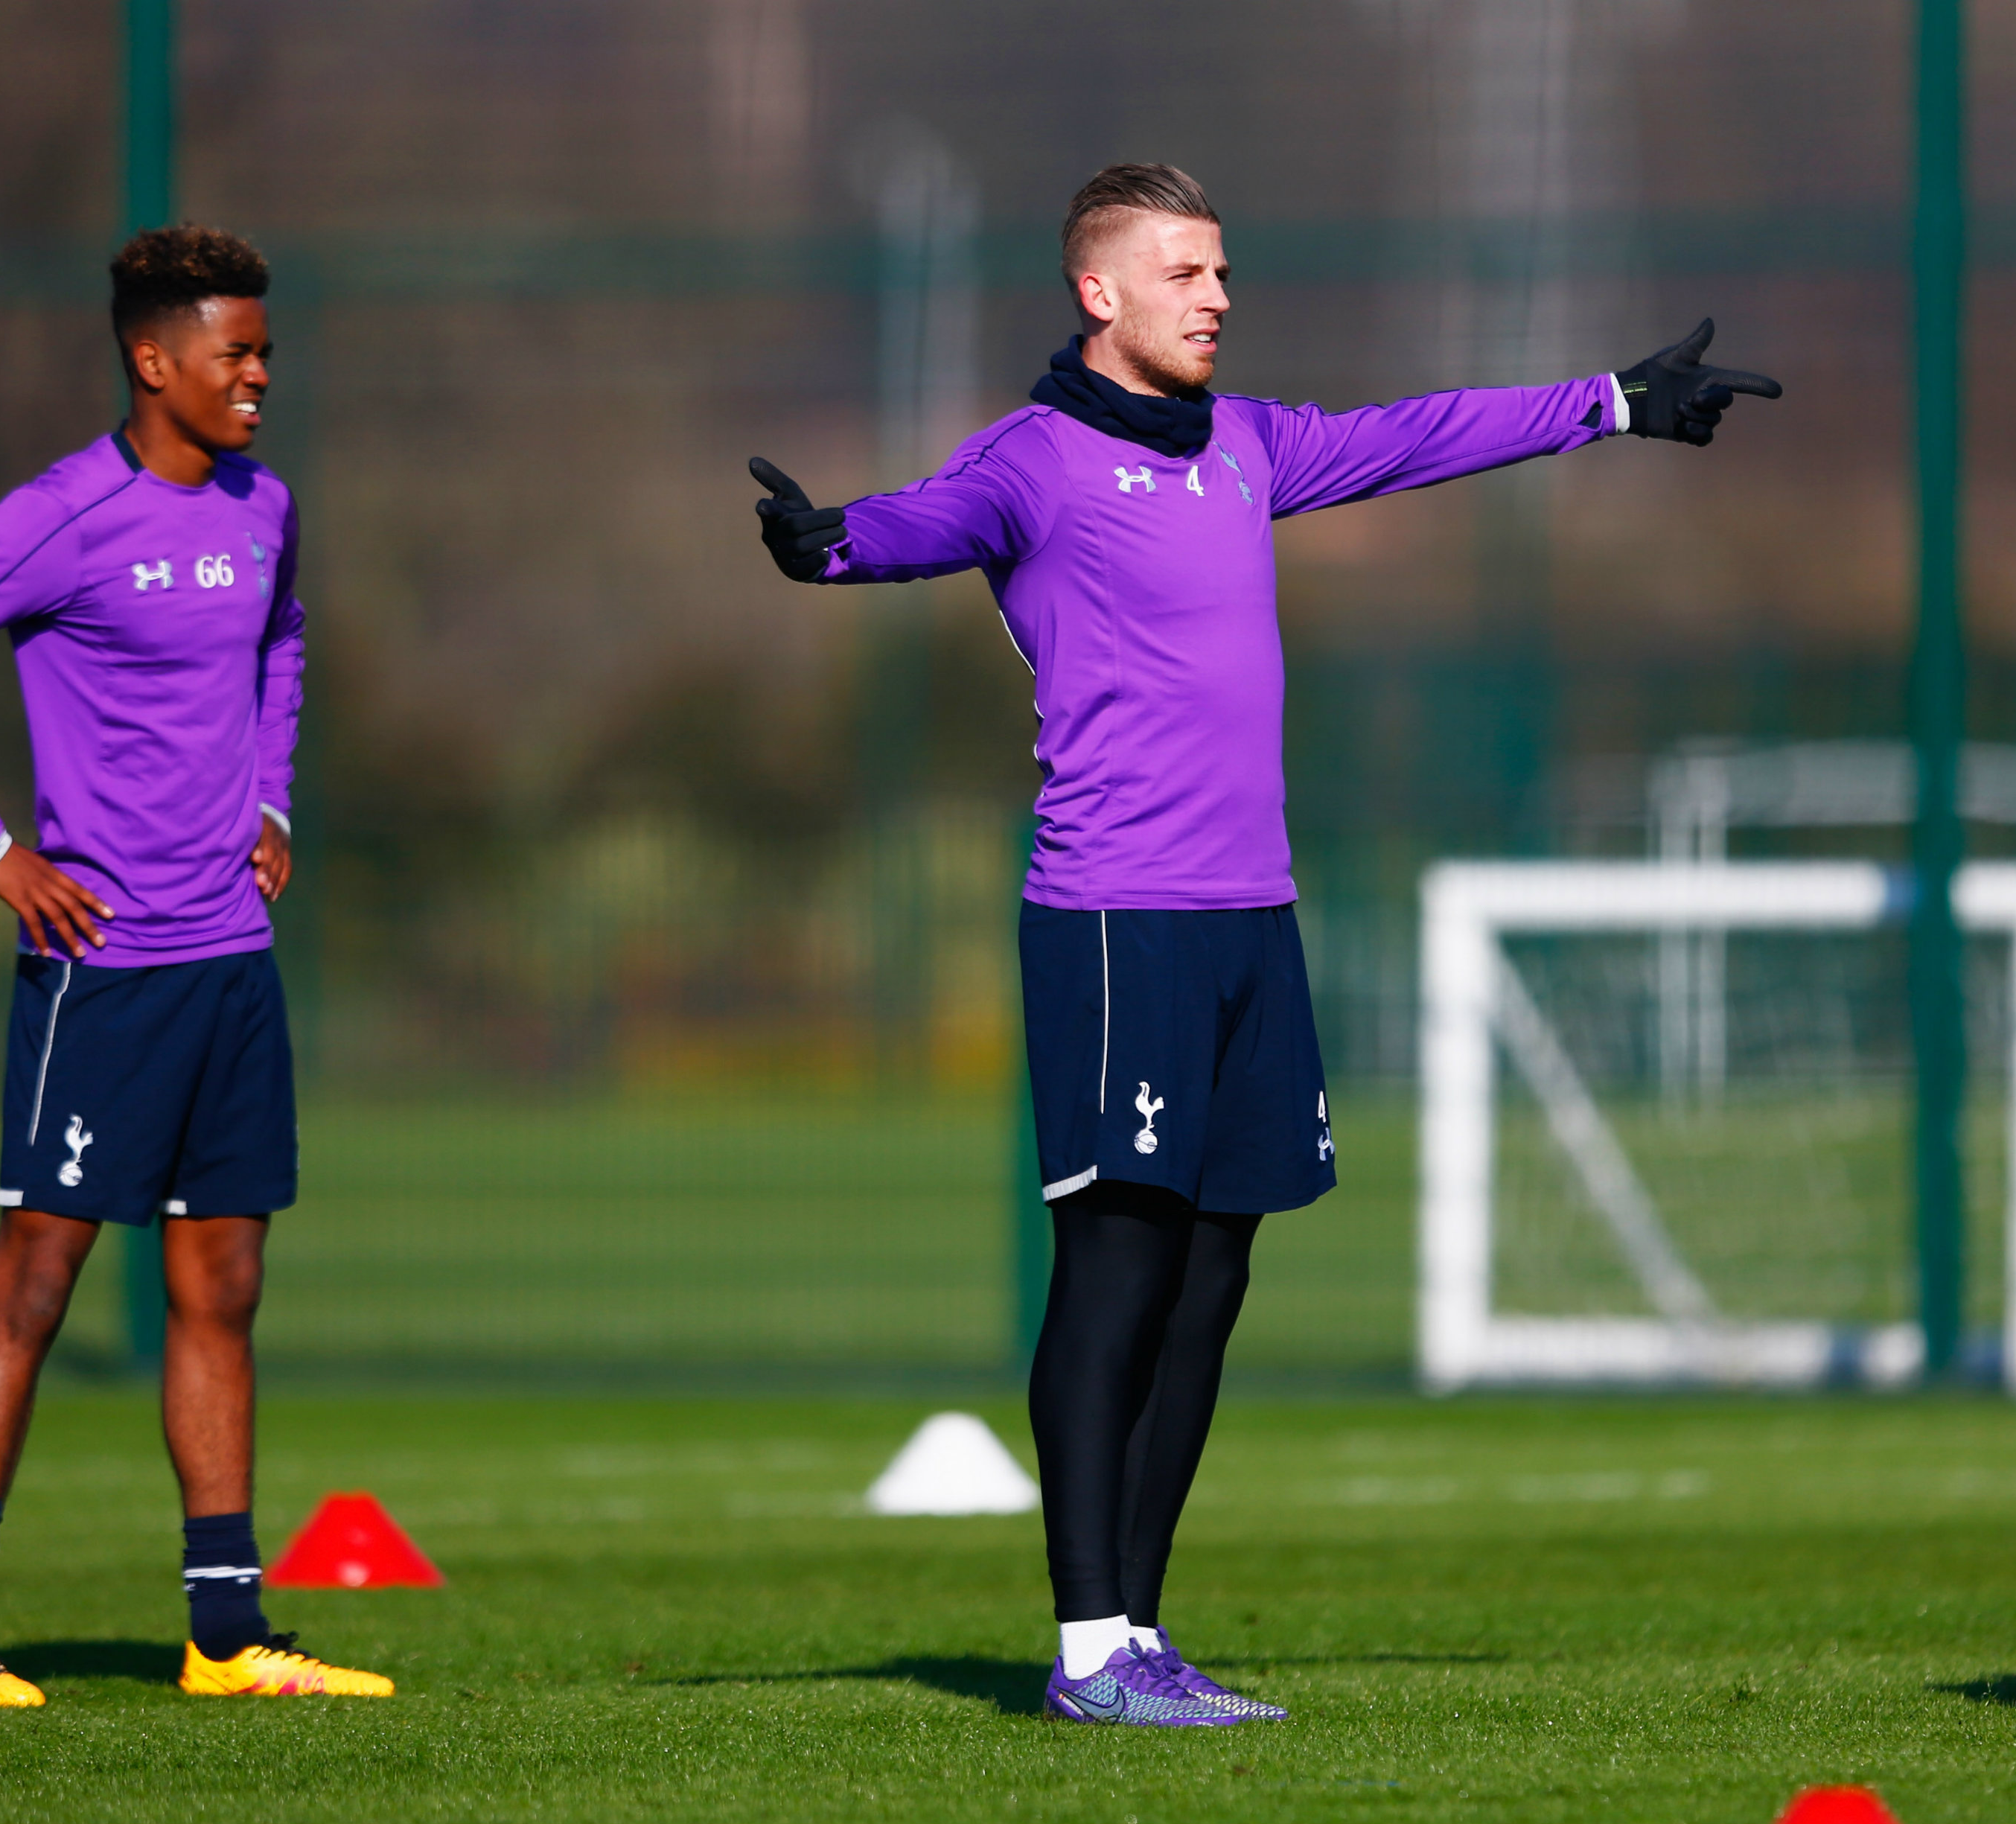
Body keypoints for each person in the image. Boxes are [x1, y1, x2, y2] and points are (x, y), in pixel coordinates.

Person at [750, 163, 1779, 1726]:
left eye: (1222, 268)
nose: (1217, 295)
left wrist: (1612, 405)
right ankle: (1089, 1640)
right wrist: (826, 544)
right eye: (1184, 271)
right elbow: (916, 522)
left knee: (1216, 1273)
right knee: (1116, 1265)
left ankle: (1139, 1636)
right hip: (1114, 920)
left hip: (1253, 918)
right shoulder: (1035, 458)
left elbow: (1414, 435)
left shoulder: (1247, 443)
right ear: (1100, 292)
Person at [0, 226, 389, 1706]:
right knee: (37, 1282)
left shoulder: (268, 507)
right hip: (104, 970)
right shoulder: (61, 516)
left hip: (231, 968)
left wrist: (272, 794)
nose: (260, 375)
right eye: (235, 353)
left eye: (265, 349)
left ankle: (226, 1631)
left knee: (227, 1282)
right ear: (155, 360)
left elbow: (282, 642)